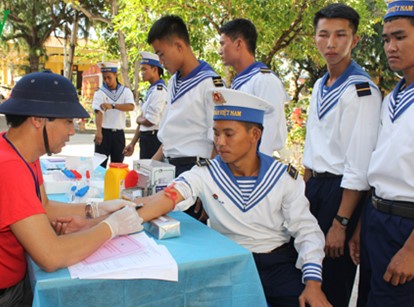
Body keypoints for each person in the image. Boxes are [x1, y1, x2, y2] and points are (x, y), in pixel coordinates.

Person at [0, 72, 143, 306]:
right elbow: (51, 256)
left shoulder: (18, 149)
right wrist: (112, 227)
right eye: (68, 122)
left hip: (1, 287)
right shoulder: (5, 165)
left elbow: (43, 205)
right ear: (38, 120)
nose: (72, 131)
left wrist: (94, 209)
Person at [135, 88, 330, 307]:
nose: (220, 142)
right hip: (227, 264)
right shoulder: (206, 173)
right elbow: (171, 196)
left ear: (255, 135)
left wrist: (313, 284)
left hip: (275, 266)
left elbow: (307, 231)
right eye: (216, 133)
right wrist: (128, 217)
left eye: (229, 134)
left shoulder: (283, 178)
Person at [301, 4, 383, 306]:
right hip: (315, 189)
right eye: (324, 35)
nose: (331, 43)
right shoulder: (321, 84)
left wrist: (341, 223)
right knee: (308, 271)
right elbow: (312, 148)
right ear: (315, 38)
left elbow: (359, 164)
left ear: (355, 40)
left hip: (341, 195)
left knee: (332, 280)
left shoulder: (361, 90)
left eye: (340, 35)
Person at [358, 1, 414, 305]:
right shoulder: (393, 96)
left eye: (400, 37)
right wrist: (362, 224)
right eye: (386, 39)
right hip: (376, 216)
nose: (390, 47)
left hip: (410, 224)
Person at [147, 15, 224, 220]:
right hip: (169, 170)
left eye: (162, 54)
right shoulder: (173, 82)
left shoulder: (210, 84)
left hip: (194, 171)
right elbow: (171, 134)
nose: (161, 62)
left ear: (179, 46)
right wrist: (148, 168)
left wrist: (209, 186)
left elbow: (219, 142)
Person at [219, 18, 288, 156]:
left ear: (239, 44)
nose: (220, 51)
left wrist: (257, 170)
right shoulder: (242, 82)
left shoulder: (264, 80)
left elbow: (268, 133)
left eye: (222, 44)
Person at [123, 51, 167, 159]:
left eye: (144, 69)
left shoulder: (159, 91)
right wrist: (133, 143)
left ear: (155, 69)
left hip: (153, 140)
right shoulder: (152, 90)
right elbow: (143, 122)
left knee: (149, 173)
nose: (141, 73)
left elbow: (150, 121)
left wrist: (139, 119)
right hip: (147, 138)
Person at [92, 62, 135, 168]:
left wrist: (113, 106)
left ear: (116, 75)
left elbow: (130, 106)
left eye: (109, 77)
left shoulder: (125, 91)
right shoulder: (100, 93)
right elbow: (98, 112)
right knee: (99, 167)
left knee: (117, 166)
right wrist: (98, 132)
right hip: (104, 133)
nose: (106, 80)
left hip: (118, 134)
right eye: (104, 78)